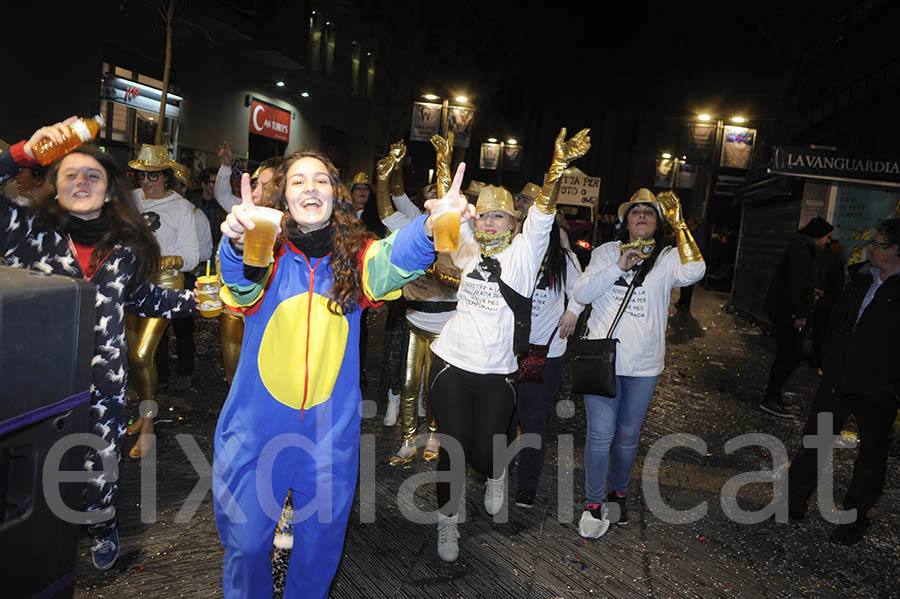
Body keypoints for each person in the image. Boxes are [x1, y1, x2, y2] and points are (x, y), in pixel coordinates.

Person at [212, 150, 473, 598]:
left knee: (318, 552)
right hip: (255, 432)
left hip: (327, 437)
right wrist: (237, 244)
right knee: (245, 545)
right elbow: (240, 282)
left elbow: (395, 258)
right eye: (297, 181)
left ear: (335, 195)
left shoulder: (356, 260)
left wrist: (431, 227)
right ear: (283, 196)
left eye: (320, 180)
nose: (310, 187)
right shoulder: (265, 252)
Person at [0, 121, 194, 571]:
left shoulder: (124, 250)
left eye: (93, 175)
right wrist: (24, 152)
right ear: (55, 187)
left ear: (109, 192)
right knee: (32, 471)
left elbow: (145, 298)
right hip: (39, 385)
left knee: (100, 464)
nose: (81, 181)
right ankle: (36, 543)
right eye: (70, 174)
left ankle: (102, 525)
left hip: (105, 385)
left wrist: (201, 302)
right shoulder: (27, 233)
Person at [428, 128, 590, 562]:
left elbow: (544, 210)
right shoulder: (467, 247)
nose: (488, 221)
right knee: (453, 445)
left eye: (498, 216)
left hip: (499, 370)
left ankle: (498, 472)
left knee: (484, 453)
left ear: (514, 223)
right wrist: (444, 166)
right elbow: (447, 213)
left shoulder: (525, 251)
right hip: (452, 363)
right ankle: (447, 522)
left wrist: (557, 166)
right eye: (483, 216)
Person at [573, 188, 705, 539]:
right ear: (626, 220)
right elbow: (583, 293)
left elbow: (696, 271)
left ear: (657, 221)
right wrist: (619, 266)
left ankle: (618, 492)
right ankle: (593, 502)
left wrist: (680, 226)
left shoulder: (667, 257)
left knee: (628, 438)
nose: (643, 214)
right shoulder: (604, 253)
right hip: (603, 361)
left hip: (644, 366)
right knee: (601, 436)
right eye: (636, 211)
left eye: (650, 211)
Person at [788, 218, 900, 545]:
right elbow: (838, 320)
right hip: (839, 377)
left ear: (895, 250)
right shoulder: (861, 278)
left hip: (879, 388)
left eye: (878, 244)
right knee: (815, 441)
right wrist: (828, 358)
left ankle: (853, 520)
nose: (870, 248)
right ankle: (792, 503)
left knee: (871, 458)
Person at [377, 136, 460, 464]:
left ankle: (434, 438)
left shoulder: (451, 235)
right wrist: (385, 173)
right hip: (414, 319)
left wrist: (444, 161)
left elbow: (455, 285)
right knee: (409, 383)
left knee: (434, 387)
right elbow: (386, 212)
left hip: (444, 323)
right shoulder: (411, 229)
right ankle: (409, 440)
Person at [126, 144, 200, 457]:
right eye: (141, 175)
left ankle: (148, 425)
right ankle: (146, 410)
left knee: (144, 355)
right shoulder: (130, 199)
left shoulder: (182, 208)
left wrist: (162, 261)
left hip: (165, 286)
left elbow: (193, 257)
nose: (146, 182)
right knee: (132, 357)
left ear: (166, 176)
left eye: (152, 176)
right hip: (132, 282)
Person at [511, 218, 584, 508]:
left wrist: (574, 312)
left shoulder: (562, 260)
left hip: (547, 353)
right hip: (507, 351)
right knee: (504, 417)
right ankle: (496, 475)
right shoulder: (517, 253)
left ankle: (526, 485)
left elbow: (582, 289)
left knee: (533, 421)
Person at [761, 216, 833, 417]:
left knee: (789, 355)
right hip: (788, 312)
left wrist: (811, 293)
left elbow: (797, 282)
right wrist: (799, 314)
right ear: (817, 235)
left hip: (785, 310)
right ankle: (771, 398)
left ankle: (774, 396)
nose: (828, 241)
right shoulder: (801, 251)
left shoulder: (801, 248)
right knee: (789, 355)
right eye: (826, 237)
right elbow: (795, 283)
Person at [811, 238, 845, 368]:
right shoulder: (837, 262)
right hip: (830, 301)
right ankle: (819, 358)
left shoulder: (825, 260)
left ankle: (816, 357)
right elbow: (838, 285)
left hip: (823, 299)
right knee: (824, 332)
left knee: (818, 331)